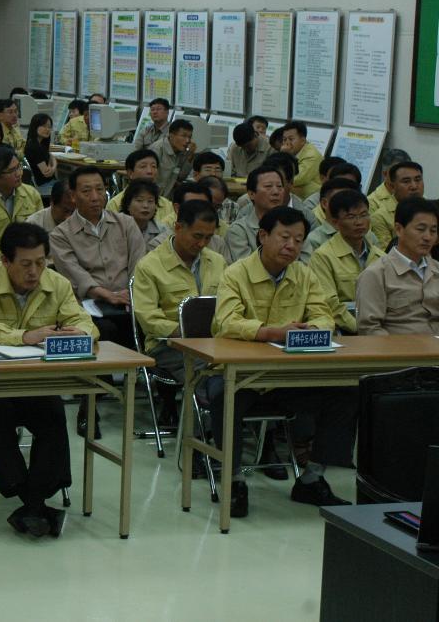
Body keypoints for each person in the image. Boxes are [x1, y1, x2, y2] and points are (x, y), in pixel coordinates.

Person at [211, 206, 353, 517]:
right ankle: (233, 481)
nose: (292, 245)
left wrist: (313, 329)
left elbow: (324, 316)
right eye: (284, 237)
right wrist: (271, 332)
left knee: (345, 392)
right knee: (224, 396)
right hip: (244, 374)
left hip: (290, 375)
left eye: (299, 239)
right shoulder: (236, 273)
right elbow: (226, 323)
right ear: (263, 236)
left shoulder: (304, 273)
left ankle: (312, 478)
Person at [0, 222, 95, 538]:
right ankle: (29, 497)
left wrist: (81, 333)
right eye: (25, 264)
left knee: (53, 413)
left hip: (33, 382)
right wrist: (24, 336)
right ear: (6, 261)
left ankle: (32, 502)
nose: (34, 271)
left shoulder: (57, 284)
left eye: (40, 262)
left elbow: (85, 322)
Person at [132, 200, 225, 425]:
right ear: (178, 227)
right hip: (167, 345)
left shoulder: (217, 261)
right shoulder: (150, 266)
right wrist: (184, 334)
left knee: (241, 366)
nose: (203, 243)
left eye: (209, 237)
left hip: (214, 341)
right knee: (208, 370)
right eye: (197, 236)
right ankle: (200, 440)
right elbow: (148, 318)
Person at [49, 165, 144, 379]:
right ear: (73, 196)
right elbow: (75, 275)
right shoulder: (60, 235)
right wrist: (106, 294)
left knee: (147, 323)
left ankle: (147, 385)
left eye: (100, 190)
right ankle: (95, 393)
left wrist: (130, 292)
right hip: (88, 306)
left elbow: (140, 265)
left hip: (130, 300)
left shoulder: (126, 223)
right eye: (86, 191)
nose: (95, 197)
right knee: (103, 330)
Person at [356, 197, 439, 335]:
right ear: (399, 229)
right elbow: (370, 329)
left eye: (433, 231)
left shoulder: (436, 268)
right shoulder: (376, 274)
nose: (428, 237)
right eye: (421, 229)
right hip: (402, 353)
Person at [308, 189, 382, 334]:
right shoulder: (323, 256)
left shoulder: (380, 256)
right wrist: (361, 329)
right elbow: (330, 303)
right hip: (344, 331)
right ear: (335, 223)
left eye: (364, 215)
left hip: (378, 328)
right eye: (351, 217)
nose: (359, 222)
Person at [225, 165, 288, 263]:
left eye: (279, 186)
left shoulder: (295, 226)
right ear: (251, 194)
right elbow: (246, 267)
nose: (276, 192)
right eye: (268, 186)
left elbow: (304, 265)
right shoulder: (239, 230)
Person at [105, 149, 175, 225]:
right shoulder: (115, 204)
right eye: (143, 166)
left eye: (153, 166)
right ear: (130, 173)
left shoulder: (167, 204)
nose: (149, 171)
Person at [370, 161, 424, 247]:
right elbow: (386, 255)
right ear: (392, 187)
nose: (414, 186)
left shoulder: (431, 209)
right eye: (406, 181)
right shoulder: (380, 217)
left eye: (418, 180)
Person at [151, 119, 195, 198]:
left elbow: (181, 177)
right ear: (171, 135)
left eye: (189, 137)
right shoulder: (157, 149)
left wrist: (190, 155)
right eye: (184, 136)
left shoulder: (183, 151)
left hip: (167, 199)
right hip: (153, 196)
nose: (188, 140)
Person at [279, 121, 323, 200]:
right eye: (284, 139)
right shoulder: (292, 152)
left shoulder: (312, 155)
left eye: (291, 139)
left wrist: (285, 156)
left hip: (311, 199)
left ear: (302, 140)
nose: (287, 143)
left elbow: (297, 179)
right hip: (295, 196)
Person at [120, 179, 166, 252]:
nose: (145, 206)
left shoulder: (163, 230)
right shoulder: (116, 227)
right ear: (128, 204)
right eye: (139, 200)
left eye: (150, 201)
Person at [23, 113, 57, 195]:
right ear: (35, 126)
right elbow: (47, 174)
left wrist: (53, 163)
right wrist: (55, 166)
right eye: (44, 126)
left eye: (49, 127)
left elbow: (50, 156)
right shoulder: (34, 147)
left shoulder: (39, 144)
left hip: (46, 183)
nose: (47, 129)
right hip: (43, 185)